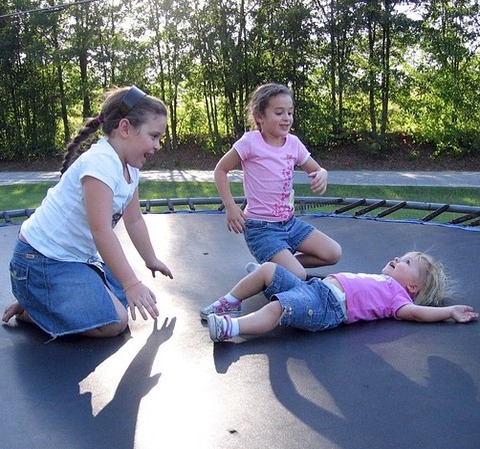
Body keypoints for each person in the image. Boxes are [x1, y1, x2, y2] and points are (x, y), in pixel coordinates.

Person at [2, 85, 173, 338]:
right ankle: (37, 306)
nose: (158, 145)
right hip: (39, 262)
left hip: (72, 260)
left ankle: (42, 301)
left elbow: (134, 219)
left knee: (122, 299)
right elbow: (101, 230)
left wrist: (151, 259)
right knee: (115, 321)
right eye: (154, 135)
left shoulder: (130, 169)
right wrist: (131, 283)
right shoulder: (100, 163)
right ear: (125, 128)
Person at [213, 83, 341, 281]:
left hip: (289, 223)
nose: (287, 118)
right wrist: (230, 206)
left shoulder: (293, 143)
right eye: (279, 112)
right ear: (259, 117)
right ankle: (275, 269)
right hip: (261, 228)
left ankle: (271, 267)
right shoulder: (250, 142)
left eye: (290, 112)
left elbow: (316, 169)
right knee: (298, 274)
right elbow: (221, 170)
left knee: (333, 253)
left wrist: (322, 174)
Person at [202, 251, 478, 342]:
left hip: (325, 308)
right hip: (315, 288)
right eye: (401, 255)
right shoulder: (383, 280)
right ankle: (230, 301)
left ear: (413, 288)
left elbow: (418, 313)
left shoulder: (398, 299)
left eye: (406, 263)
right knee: (268, 269)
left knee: (280, 307)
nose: (398, 258)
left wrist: (449, 311)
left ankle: (231, 328)